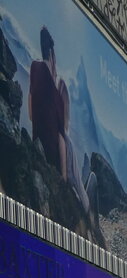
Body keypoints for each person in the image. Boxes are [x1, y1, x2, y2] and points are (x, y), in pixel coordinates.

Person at [29, 26, 68, 179]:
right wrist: (64, 180)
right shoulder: (57, 97)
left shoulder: (34, 68)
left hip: (36, 149)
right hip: (52, 165)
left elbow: (31, 114)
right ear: (52, 55)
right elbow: (61, 140)